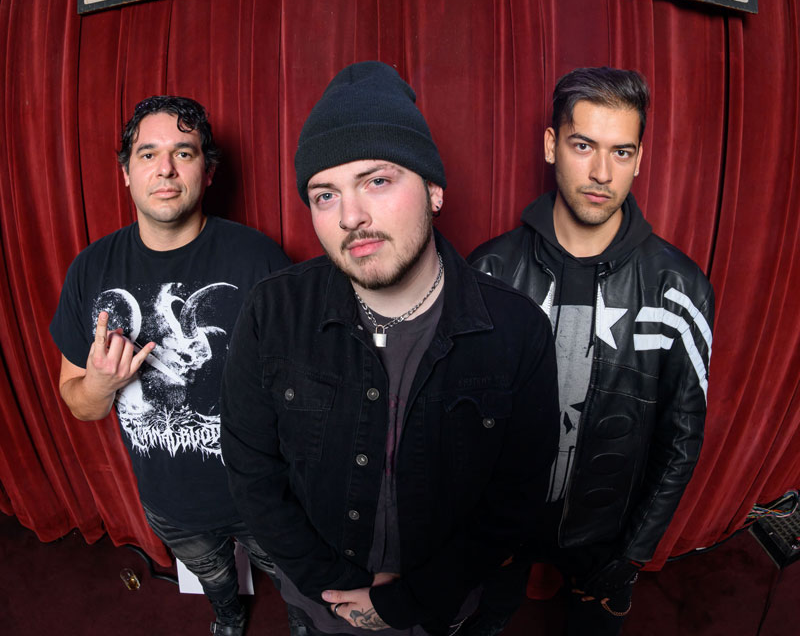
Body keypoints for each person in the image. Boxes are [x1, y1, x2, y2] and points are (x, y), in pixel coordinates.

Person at [220, 61, 559, 635]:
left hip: (448, 610)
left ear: (434, 191)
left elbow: (516, 496)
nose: (351, 216)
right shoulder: (271, 312)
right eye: (325, 195)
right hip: (321, 603)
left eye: (376, 181)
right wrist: (330, 585)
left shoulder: (516, 330)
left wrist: (412, 600)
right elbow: (252, 471)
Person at [466, 67, 714, 635]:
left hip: (605, 535)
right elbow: (462, 420)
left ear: (639, 159)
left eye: (621, 152)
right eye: (583, 146)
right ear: (551, 146)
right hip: (501, 526)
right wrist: (472, 524)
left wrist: (633, 553)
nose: (602, 173)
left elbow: (682, 438)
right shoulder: (490, 272)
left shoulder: (679, 288)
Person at [50, 96, 291, 636]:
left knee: (296, 584)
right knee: (214, 578)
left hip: (265, 493)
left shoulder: (258, 258)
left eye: (184, 152)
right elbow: (80, 405)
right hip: (171, 502)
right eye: (148, 153)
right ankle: (228, 616)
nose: (165, 169)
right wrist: (102, 383)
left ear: (208, 171)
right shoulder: (90, 270)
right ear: (126, 173)